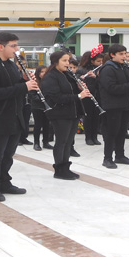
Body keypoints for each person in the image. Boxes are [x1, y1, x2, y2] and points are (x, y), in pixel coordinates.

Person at [0, 32, 36, 201]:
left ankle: (5, 182)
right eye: (13, 46)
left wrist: (24, 81)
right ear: (1, 46)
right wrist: (24, 87)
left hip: (14, 117)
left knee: (8, 155)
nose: (17, 50)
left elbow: (14, 86)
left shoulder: (11, 65)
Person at [42, 51, 90, 179]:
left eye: (68, 60)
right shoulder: (51, 76)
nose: (67, 63)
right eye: (64, 60)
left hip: (72, 112)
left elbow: (72, 90)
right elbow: (56, 97)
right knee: (61, 141)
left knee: (69, 142)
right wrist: (79, 96)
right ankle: (59, 169)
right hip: (60, 113)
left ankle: (66, 168)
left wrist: (80, 88)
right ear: (55, 61)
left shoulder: (67, 74)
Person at [98, 44, 129, 168]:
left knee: (122, 132)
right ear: (113, 55)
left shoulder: (123, 67)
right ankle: (107, 158)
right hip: (112, 106)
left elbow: (127, 84)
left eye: (125, 53)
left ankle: (120, 155)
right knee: (111, 133)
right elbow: (111, 88)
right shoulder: (108, 69)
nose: (125, 57)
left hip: (124, 105)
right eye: (121, 54)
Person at [78, 48, 104, 146]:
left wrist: (96, 77)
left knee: (97, 117)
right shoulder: (82, 70)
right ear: (91, 61)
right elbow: (78, 81)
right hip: (87, 96)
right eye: (98, 61)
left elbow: (103, 83)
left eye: (101, 61)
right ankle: (88, 137)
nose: (100, 63)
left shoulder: (100, 70)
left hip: (97, 95)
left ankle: (95, 137)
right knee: (88, 117)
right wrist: (83, 78)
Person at [30, 65, 53, 151]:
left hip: (46, 106)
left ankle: (46, 142)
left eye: (45, 72)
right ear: (38, 73)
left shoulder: (49, 82)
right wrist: (40, 98)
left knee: (47, 124)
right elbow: (31, 95)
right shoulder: (34, 81)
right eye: (42, 72)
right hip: (37, 106)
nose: (43, 74)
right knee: (38, 124)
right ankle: (36, 143)